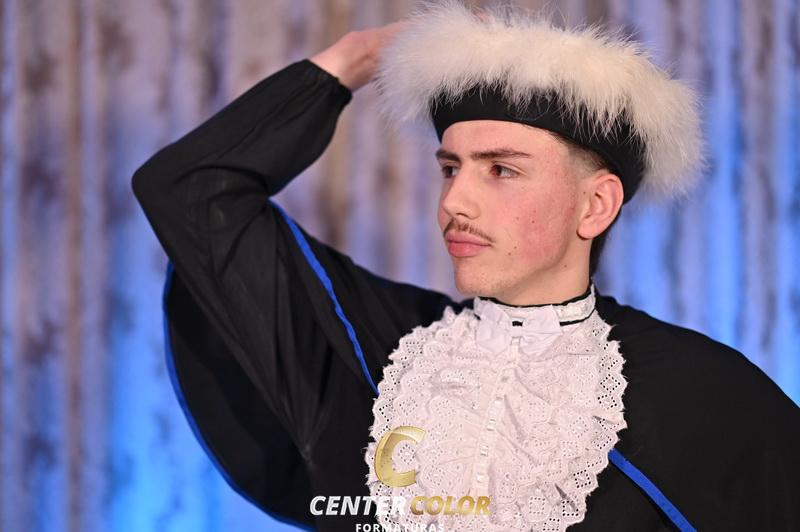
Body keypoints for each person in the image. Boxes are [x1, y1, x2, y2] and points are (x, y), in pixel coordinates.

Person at [132, 2, 800, 531]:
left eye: (501, 170)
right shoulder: (377, 345)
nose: (454, 202)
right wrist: (356, 57)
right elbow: (189, 191)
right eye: (451, 168)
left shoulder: (703, 394)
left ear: (594, 205)